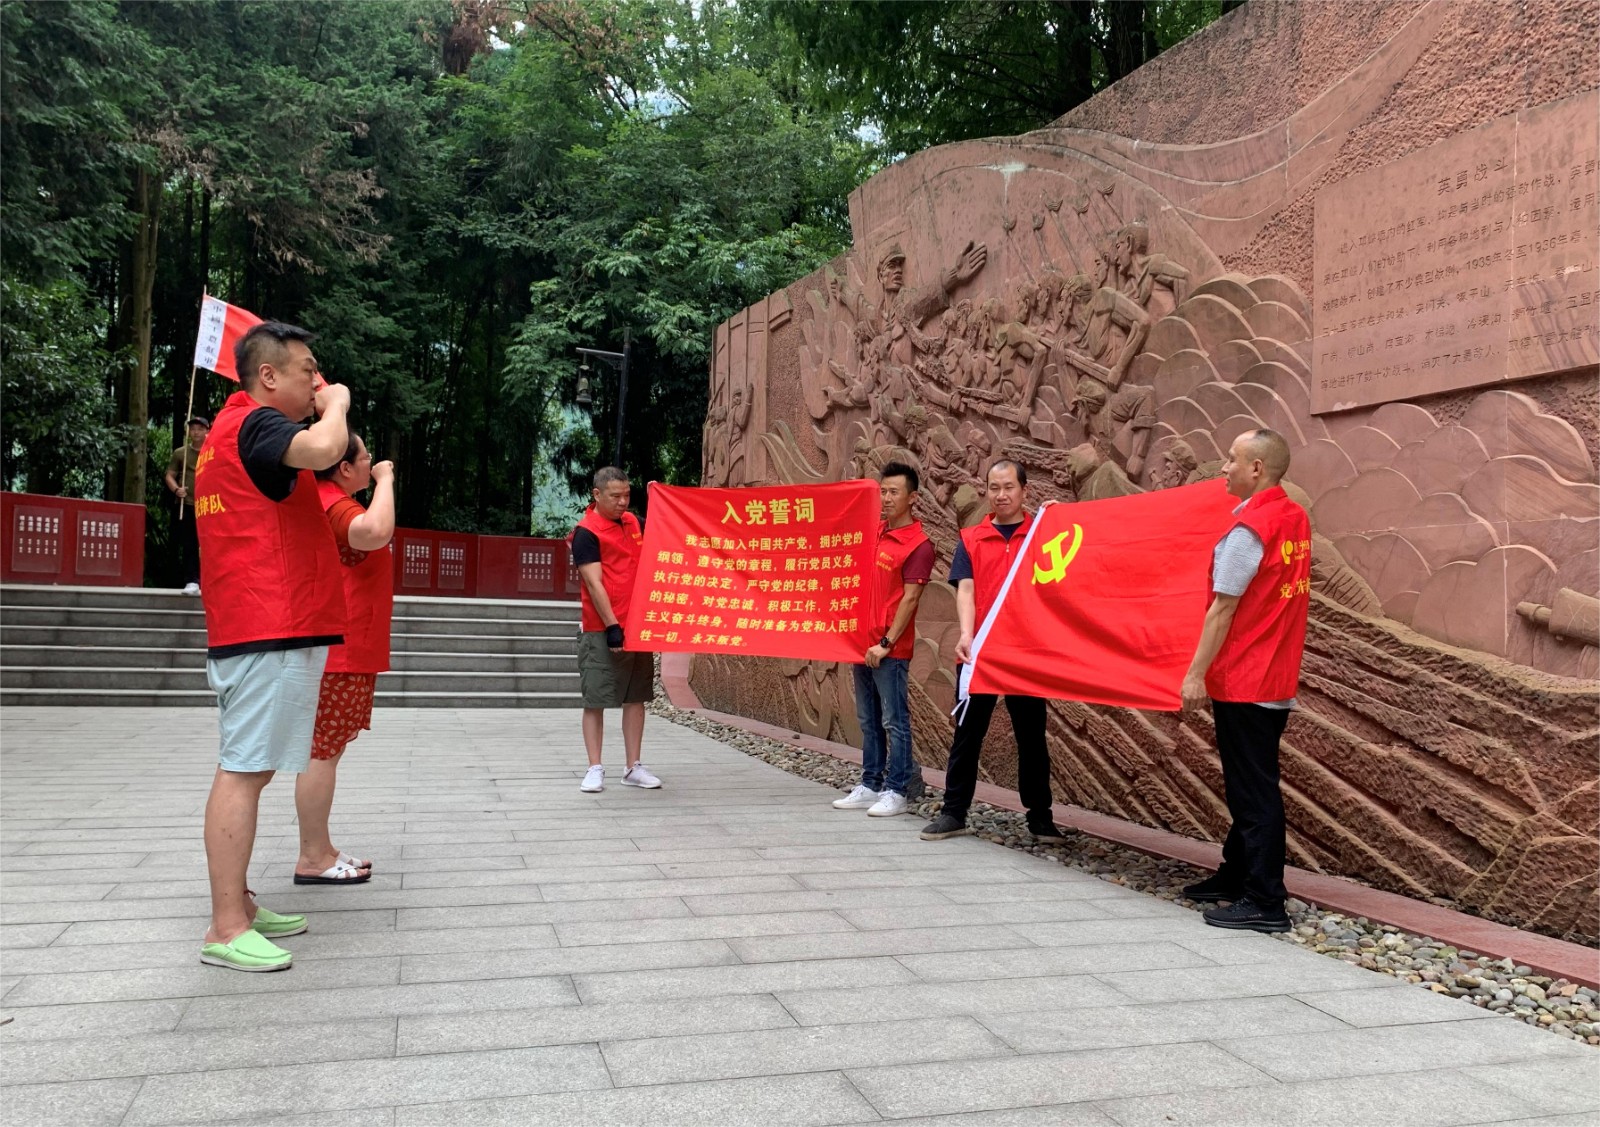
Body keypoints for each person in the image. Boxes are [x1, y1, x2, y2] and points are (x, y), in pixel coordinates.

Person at [194, 320, 350, 972]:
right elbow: (324, 447)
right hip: (266, 622)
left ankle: (242, 906)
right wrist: (337, 404)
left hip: (255, 622)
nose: (316, 382)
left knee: (250, 767)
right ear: (268, 376)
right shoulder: (257, 424)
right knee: (243, 768)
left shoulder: (227, 434)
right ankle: (227, 926)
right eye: (307, 370)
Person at [1179, 428, 1311, 934]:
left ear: (1256, 468)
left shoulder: (1250, 530)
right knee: (1250, 783)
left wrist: (1195, 673)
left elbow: (1223, 608)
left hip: (1245, 677)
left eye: (1231, 459)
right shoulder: (1293, 517)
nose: (1223, 467)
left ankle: (1264, 899)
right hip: (1274, 673)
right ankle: (1236, 875)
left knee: (1253, 791)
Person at [920, 460, 1066, 844]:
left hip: (1025, 652)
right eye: (994, 487)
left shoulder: (1040, 534)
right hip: (979, 651)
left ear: (1024, 490)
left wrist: (1061, 519)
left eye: (1009, 487)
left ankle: (1040, 818)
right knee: (968, 734)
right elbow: (965, 590)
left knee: (1031, 738)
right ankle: (954, 812)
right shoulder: (972, 538)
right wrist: (967, 634)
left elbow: (1072, 558)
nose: (1001, 495)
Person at [293, 432, 396, 886]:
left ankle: (322, 847)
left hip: (346, 642)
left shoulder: (329, 499)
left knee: (326, 751)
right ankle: (313, 856)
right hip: (340, 646)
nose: (372, 461)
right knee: (323, 752)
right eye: (366, 457)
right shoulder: (332, 501)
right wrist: (386, 480)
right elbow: (374, 532)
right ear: (344, 468)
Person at [833, 462, 935, 817]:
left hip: (889, 650)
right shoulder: (873, 533)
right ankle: (870, 783)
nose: (887, 498)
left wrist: (886, 643)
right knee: (868, 720)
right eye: (883, 492)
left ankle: (898, 790)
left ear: (913, 497)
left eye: (894, 492)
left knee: (895, 721)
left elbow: (910, 599)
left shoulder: (918, 546)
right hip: (861, 645)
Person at [571, 466, 660, 793]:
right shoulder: (586, 532)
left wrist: (661, 500)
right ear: (596, 495)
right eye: (615, 496)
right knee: (595, 699)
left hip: (637, 626)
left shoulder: (634, 522)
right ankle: (594, 767)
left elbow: (668, 532)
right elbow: (594, 584)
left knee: (636, 698)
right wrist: (612, 627)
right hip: (602, 628)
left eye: (627, 495)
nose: (623, 502)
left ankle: (633, 766)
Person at [163, 416, 210, 595]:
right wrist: (177, 490)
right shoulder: (180, 453)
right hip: (188, 503)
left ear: (207, 431)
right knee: (190, 543)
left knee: (210, 543)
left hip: (210, 504)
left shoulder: (213, 451)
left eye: (200, 429)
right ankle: (192, 581)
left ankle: (209, 580)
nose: (196, 432)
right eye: (193, 429)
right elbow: (169, 475)